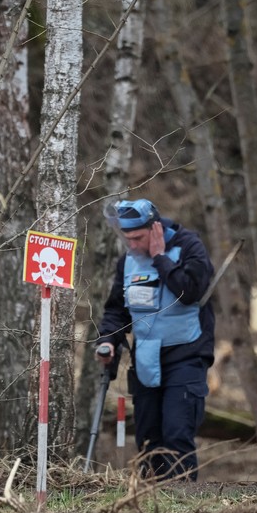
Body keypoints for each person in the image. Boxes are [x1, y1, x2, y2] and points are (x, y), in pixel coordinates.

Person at [95, 198, 215, 481]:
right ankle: (150, 499)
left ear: (156, 228)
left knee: (177, 433)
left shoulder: (190, 248)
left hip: (186, 357)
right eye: (127, 238)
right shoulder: (127, 262)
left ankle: (181, 500)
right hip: (146, 360)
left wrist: (161, 258)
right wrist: (108, 340)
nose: (132, 245)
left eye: (138, 238)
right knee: (148, 438)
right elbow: (117, 310)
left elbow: (190, 291)